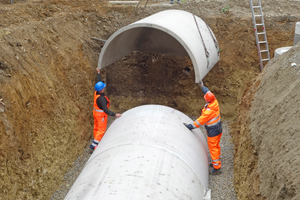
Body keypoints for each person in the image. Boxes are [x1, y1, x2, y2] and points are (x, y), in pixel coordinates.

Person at [184, 81, 223, 175]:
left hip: (213, 132)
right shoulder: (215, 102)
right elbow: (208, 92)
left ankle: (217, 168)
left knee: (213, 148)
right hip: (219, 129)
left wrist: (190, 126)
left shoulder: (208, 112)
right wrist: (202, 86)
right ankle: (216, 162)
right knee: (216, 146)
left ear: (207, 100)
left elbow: (199, 122)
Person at [90, 68, 122, 150]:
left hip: (95, 113)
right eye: (103, 88)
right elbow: (106, 110)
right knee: (101, 130)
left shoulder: (96, 92)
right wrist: (115, 114)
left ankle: (96, 139)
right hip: (101, 116)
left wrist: (98, 74)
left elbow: (98, 83)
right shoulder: (101, 99)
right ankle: (94, 145)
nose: (104, 88)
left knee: (96, 127)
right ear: (101, 90)